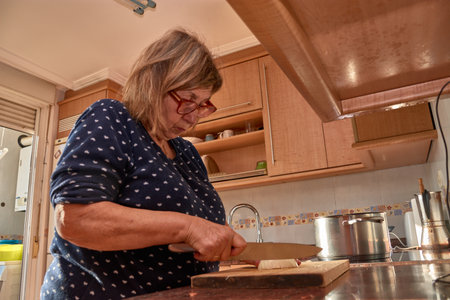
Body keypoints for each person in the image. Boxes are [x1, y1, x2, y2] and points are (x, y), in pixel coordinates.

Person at [40, 28, 247, 299]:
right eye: (188, 101)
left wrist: (222, 242)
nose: (193, 117)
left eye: (203, 104)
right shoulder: (113, 118)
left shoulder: (187, 153)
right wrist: (189, 227)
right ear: (154, 83)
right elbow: (75, 218)